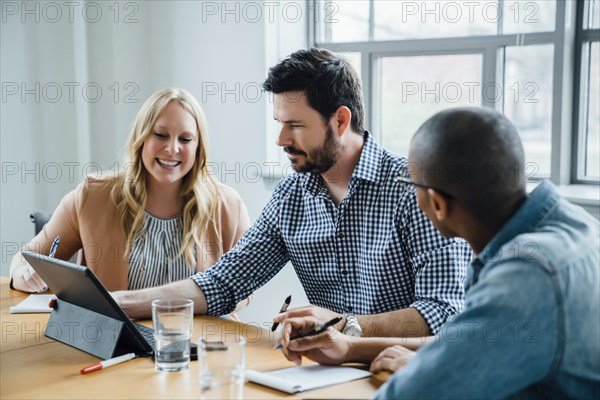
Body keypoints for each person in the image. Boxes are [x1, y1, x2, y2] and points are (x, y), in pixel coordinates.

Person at [113, 48, 472, 338]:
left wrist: (345, 324)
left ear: (340, 121)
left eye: (295, 125)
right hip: (322, 374)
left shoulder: (414, 190)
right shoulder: (291, 197)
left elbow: (444, 310)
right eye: (280, 123)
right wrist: (118, 302)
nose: (281, 140)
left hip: (406, 374)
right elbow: (223, 283)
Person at [278, 107, 600, 398]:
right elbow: (470, 339)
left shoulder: (525, 277)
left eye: (412, 184)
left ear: (437, 204)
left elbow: (409, 395)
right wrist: (352, 349)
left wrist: (427, 373)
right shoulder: (575, 227)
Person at [10, 88, 252, 314]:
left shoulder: (228, 205)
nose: (172, 148)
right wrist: (25, 273)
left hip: (194, 346)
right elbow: (27, 257)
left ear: (199, 147)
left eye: (186, 139)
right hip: (113, 344)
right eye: (160, 135)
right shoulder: (92, 196)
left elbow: (244, 288)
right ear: (141, 138)